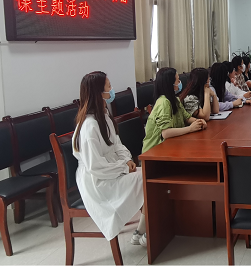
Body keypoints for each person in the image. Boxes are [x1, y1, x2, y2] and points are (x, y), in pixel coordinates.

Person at [73, 71, 145, 246]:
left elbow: (117, 144)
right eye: (109, 86)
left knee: (147, 175)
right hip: (98, 182)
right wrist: (123, 168)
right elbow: (95, 166)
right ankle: (144, 231)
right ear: (98, 93)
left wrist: (127, 160)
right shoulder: (89, 126)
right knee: (144, 179)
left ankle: (142, 230)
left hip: (112, 170)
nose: (112, 90)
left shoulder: (103, 116)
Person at [142, 67, 207, 154]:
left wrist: (198, 121)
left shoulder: (175, 100)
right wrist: (190, 129)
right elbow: (166, 133)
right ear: (170, 84)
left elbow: (186, 118)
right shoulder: (163, 102)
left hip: (172, 145)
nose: (180, 82)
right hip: (155, 151)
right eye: (177, 80)